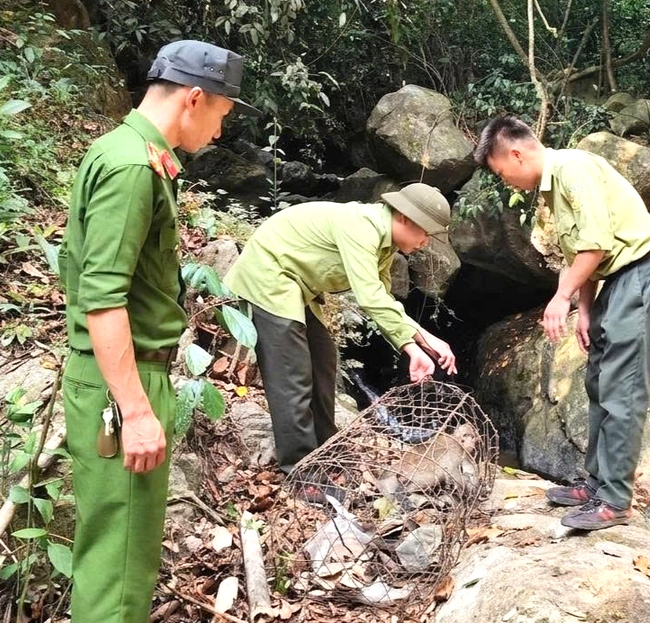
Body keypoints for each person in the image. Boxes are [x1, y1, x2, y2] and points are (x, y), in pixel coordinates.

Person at [58, 40, 260, 623]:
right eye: (222, 114)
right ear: (195, 98)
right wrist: (136, 409)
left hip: (123, 377)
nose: (220, 132)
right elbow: (101, 299)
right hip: (123, 384)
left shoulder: (132, 152)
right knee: (118, 565)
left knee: (119, 552)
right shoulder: (131, 168)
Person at [474, 115, 650, 530]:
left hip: (638, 276)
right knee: (599, 383)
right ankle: (596, 485)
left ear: (515, 152)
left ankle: (615, 500)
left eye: (500, 171)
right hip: (613, 284)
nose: (504, 180)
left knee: (623, 389)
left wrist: (561, 297)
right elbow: (580, 253)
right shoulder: (553, 187)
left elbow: (595, 244)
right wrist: (584, 309)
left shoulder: (571, 168)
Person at [223, 182, 459, 475]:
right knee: (293, 375)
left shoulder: (385, 243)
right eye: (425, 231)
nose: (425, 241)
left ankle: (326, 449)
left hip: (299, 288)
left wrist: (426, 340)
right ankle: (301, 470)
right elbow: (370, 297)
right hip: (269, 277)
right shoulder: (362, 228)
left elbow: (383, 301)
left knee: (323, 361)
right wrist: (412, 347)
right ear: (404, 217)